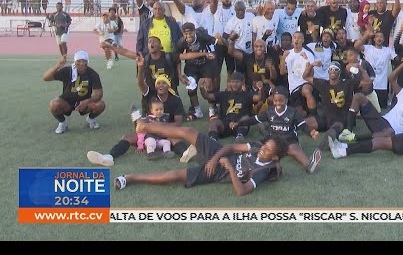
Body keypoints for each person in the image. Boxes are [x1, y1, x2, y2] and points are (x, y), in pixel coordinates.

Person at [114, 122, 285, 196]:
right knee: (189, 131)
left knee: (175, 175)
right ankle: (145, 126)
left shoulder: (263, 172)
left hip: (218, 172)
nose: (262, 149)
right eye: (265, 145)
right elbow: (232, 147)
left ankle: (128, 178)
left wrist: (229, 168)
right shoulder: (256, 147)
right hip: (220, 154)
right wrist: (216, 157)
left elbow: (241, 191)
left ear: (275, 157)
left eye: (267, 150)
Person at [337, 56, 403, 143]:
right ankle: (347, 131)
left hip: (393, 132)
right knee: (358, 96)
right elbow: (391, 78)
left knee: (389, 132)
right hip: (381, 121)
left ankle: (353, 138)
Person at [233, 85, 322, 174]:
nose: (278, 103)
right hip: (273, 139)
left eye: (281, 100)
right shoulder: (269, 111)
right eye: (275, 100)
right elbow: (253, 120)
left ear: (286, 100)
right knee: (257, 146)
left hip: (289, 140)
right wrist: (239, 123)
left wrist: (311, 132)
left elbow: (303, 126)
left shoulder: (293, 112)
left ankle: (308, 165)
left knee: (296, 150)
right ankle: (236, 155)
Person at [43, 51, 105, 134]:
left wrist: (87, 101)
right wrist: (58, 65)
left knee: (100, 105)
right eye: (78, 61)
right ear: (75, 62)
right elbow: (46, 78)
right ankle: (63, 122)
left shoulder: (92, 74)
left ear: (88, 61)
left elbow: (99, 93)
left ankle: (90, 119)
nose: (82, 63)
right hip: (67, 102)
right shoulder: (67, 70)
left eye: (84, 61)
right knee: (54, 104)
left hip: (84, 102)